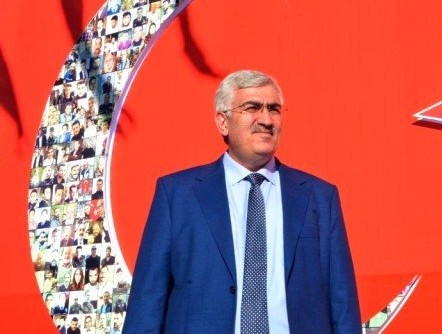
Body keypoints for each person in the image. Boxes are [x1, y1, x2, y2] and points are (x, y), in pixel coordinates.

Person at [125, 70, 360, 333]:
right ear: (222, 122)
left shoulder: (320, 197)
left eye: (274, 109)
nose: (266, 120)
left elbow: (342, 302)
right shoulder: (177, 195)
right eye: (252, 108)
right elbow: (148, 299)